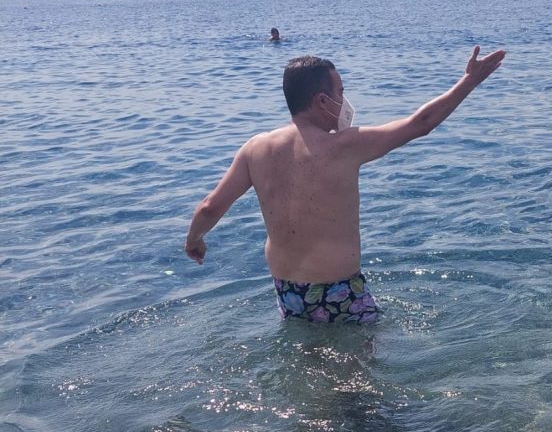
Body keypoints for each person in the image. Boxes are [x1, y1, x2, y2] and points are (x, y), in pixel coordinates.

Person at [185, 46, 506, 323]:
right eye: (341, 92)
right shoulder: (343, 145)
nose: (345, 100)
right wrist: (469, 81)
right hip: (340, 291)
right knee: (360, 368)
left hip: (288, 293)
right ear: (322, 101)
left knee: (308, 361)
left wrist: (194, 240)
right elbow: (420, 124)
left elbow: (210, 207)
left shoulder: (254, 148)